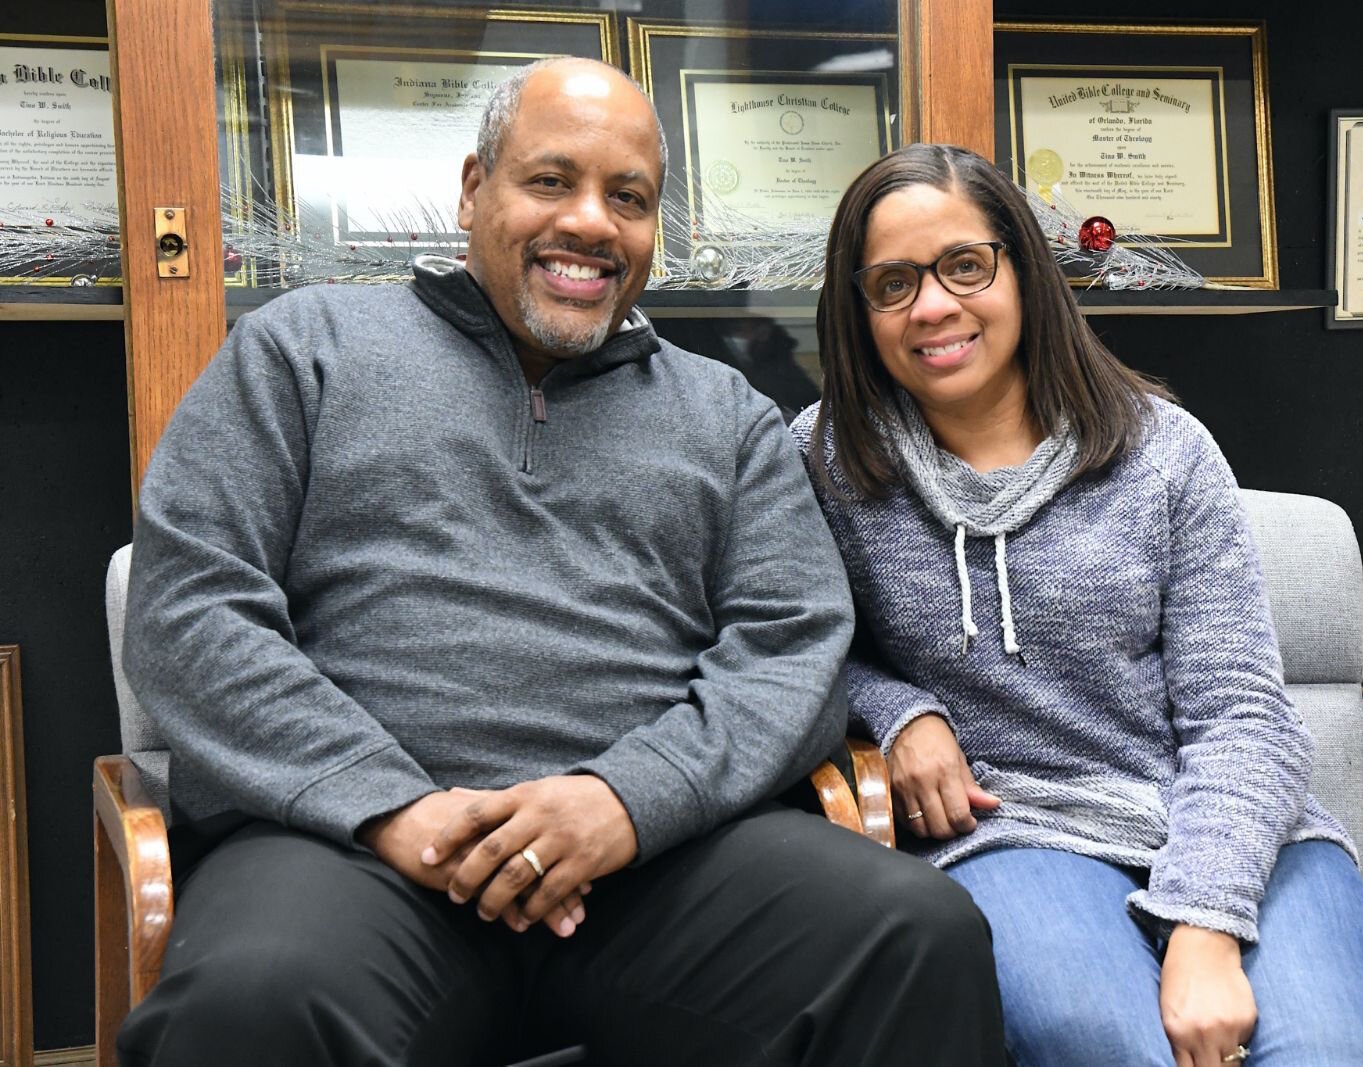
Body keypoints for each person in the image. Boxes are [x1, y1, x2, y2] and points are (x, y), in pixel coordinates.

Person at [117, 62, 1008, 1067]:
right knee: (248, 1003)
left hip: (659, 862)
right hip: (354, 856)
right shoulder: (301, 352)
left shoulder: (727, 418)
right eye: (550, 181)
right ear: (470, 188)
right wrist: (391, 806)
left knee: (910, 933)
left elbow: (792, 646)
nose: (590, 223)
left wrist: (622, 801)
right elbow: (191, 610)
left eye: (626, 198)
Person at [791, 142, 1363, 1067]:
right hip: (1014, 828)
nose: (933, 306)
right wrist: (898, 712)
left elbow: (1241, 713)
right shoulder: (826, 459)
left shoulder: (1164, 452)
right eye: (892, 283)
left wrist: (1203, 921)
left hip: (1227, 824)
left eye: (964, 265)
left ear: (1023, 271)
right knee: (1107, 1047)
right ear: (858, 309)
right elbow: (786, 644)